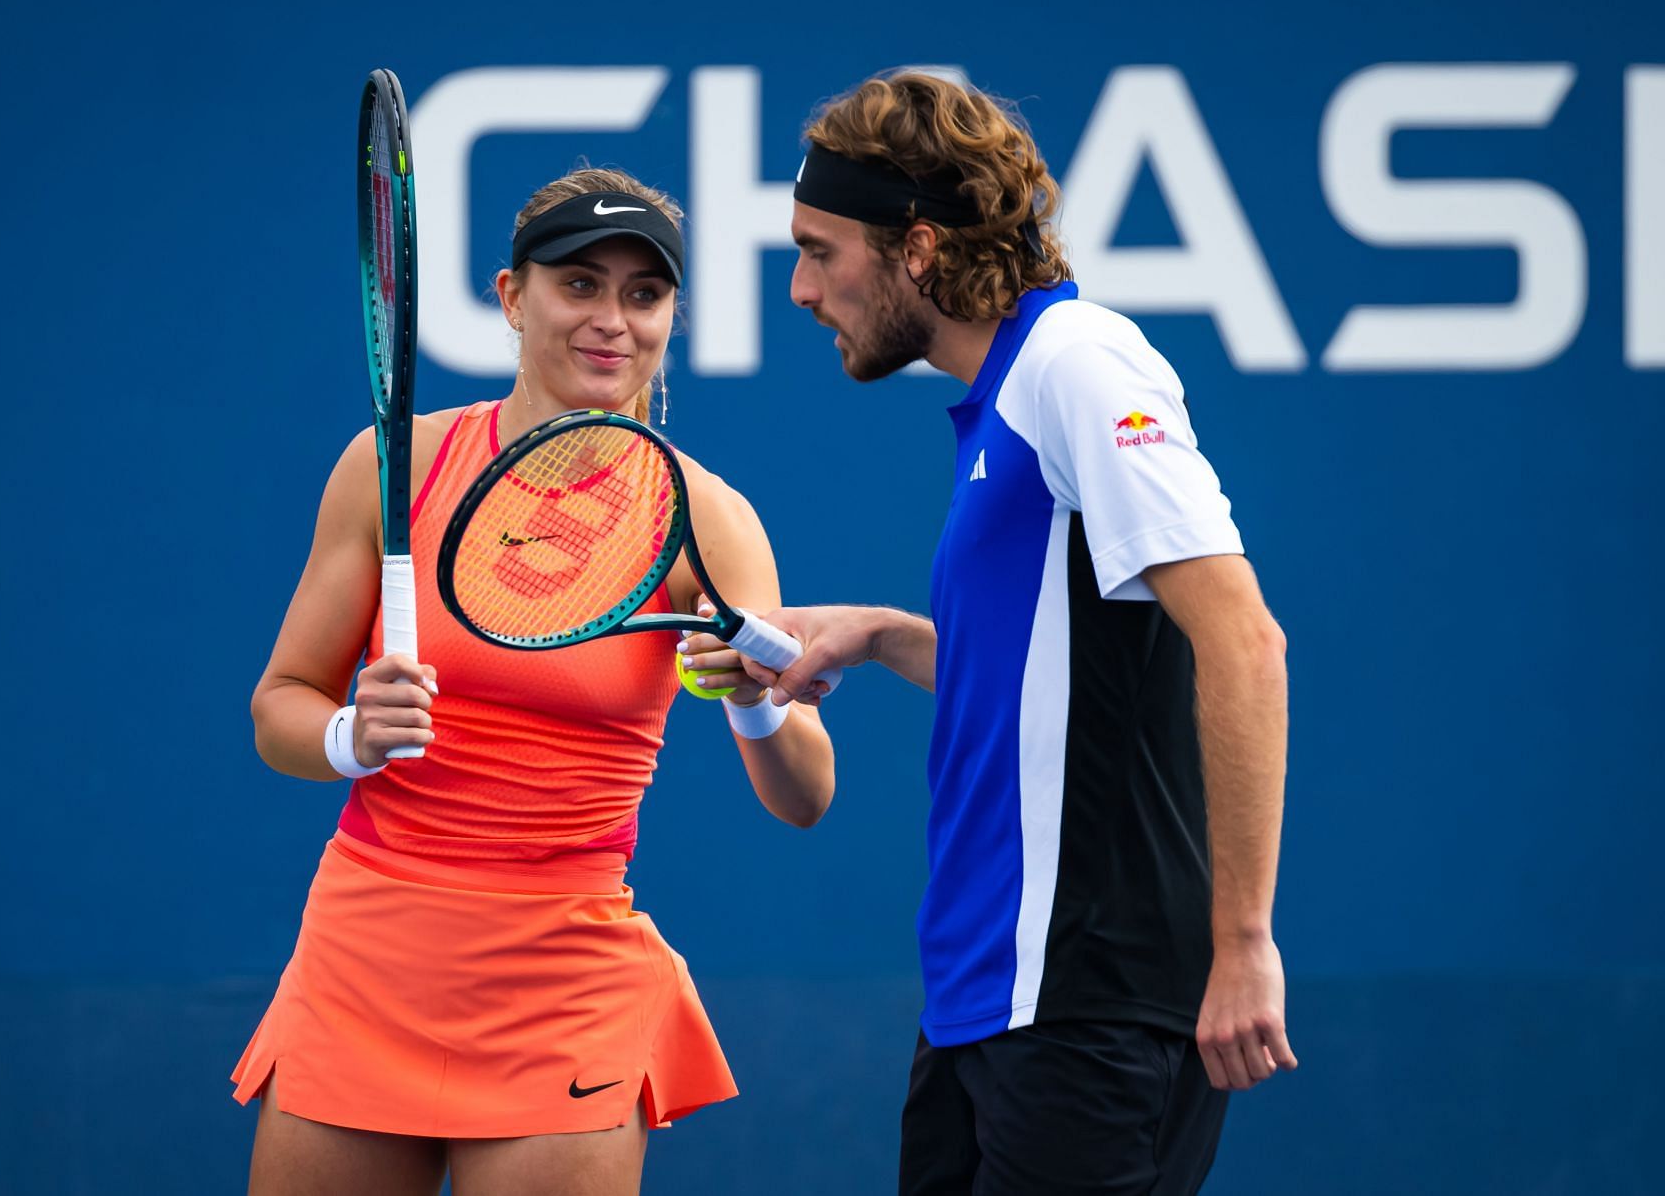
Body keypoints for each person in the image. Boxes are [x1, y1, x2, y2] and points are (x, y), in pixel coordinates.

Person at [741, 72, 1296, 1194]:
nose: (800, 288)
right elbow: (1065, 674)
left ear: (918, 249)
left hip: (1089, 995)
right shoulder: (1007, 395)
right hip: (985, 1000)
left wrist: (1244, 940)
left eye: (820, 249)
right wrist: (886, 634)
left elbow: (1242, 643)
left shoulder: (1078, 364)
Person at [234, 167, 835, 1196]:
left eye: (644, 295)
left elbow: (804, 795)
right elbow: (279, 702)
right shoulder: (393, 465)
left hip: (564, 985)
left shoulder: (706, 516)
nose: (613, 320)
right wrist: (350, 736)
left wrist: (752, 697)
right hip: (364, 959)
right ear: (513, 299)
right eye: (580, 285)